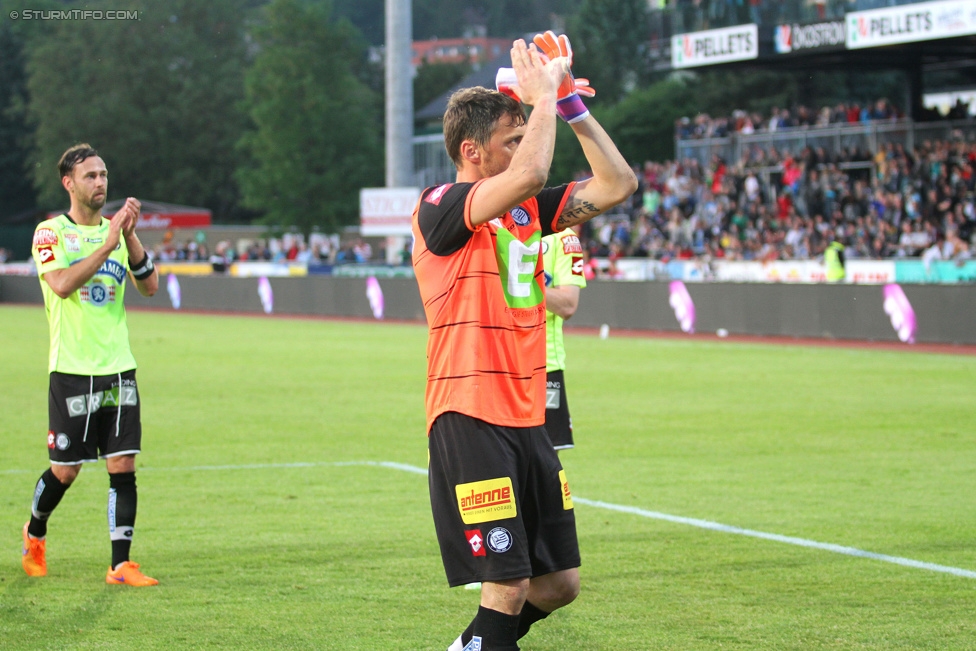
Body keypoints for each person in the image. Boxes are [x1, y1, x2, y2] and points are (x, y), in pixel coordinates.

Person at [411, 33, 636, 651]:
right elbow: (535, 167)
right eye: (508, 140)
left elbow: (617, 184)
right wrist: (540, 97)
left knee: (559, 583)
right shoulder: (438, 206)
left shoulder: (528, 213)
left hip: (526, 415)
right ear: (470, 151)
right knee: (507, 583)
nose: (525, 149)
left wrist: (569, 107)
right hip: (470, 414)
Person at [23, 143, 160, 587]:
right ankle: (35, 532)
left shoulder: (117, 233)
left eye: (103, 175)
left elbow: (150, 286)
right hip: (71, 370)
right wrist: (106, 244)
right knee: (66, 470)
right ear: (69, 183)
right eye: (90, 176)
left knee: (122, 464)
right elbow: (61, 284)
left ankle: (120, 565)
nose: (100, 182)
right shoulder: (50, 232)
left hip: (118, 366)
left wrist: (129, 234)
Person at [541, 227, 587, 452]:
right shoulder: (495, 228)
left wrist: (520, 285)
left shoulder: (564, 239)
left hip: (544, 367)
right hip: (496, 365)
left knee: (546, 460)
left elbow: (568, 304)